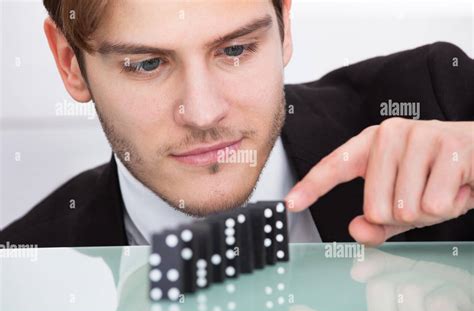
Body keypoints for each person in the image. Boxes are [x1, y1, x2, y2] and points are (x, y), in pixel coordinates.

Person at [1, 0, 473, 247]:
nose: (203, 114)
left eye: (234, 50)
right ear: (68, 63)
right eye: (146, 64)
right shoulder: (22, 268)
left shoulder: (439, 99)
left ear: (284, 26)